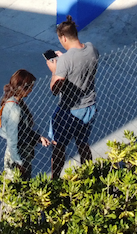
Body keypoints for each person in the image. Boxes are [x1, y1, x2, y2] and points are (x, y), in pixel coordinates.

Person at [41, 15, 99, 179]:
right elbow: (79, 61)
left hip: (69, 111)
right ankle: (89, 175)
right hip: (89, 106)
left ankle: (55, 180)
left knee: (59, 147)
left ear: (63, 38)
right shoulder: (92, 48)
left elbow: (55, 90)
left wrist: (55, 70)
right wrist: (65, 58)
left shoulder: (65, 61)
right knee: (83, 143)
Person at [0, 69, 38, 180]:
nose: (32, 90)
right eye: (31, 87)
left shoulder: (13, 101)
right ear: (23, 88)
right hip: (19, 155)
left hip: (20, 153)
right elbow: (12, 139)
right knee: (19, 187)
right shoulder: (15, 110)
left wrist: (38, 137)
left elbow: (22, 129)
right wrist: (19, 162)